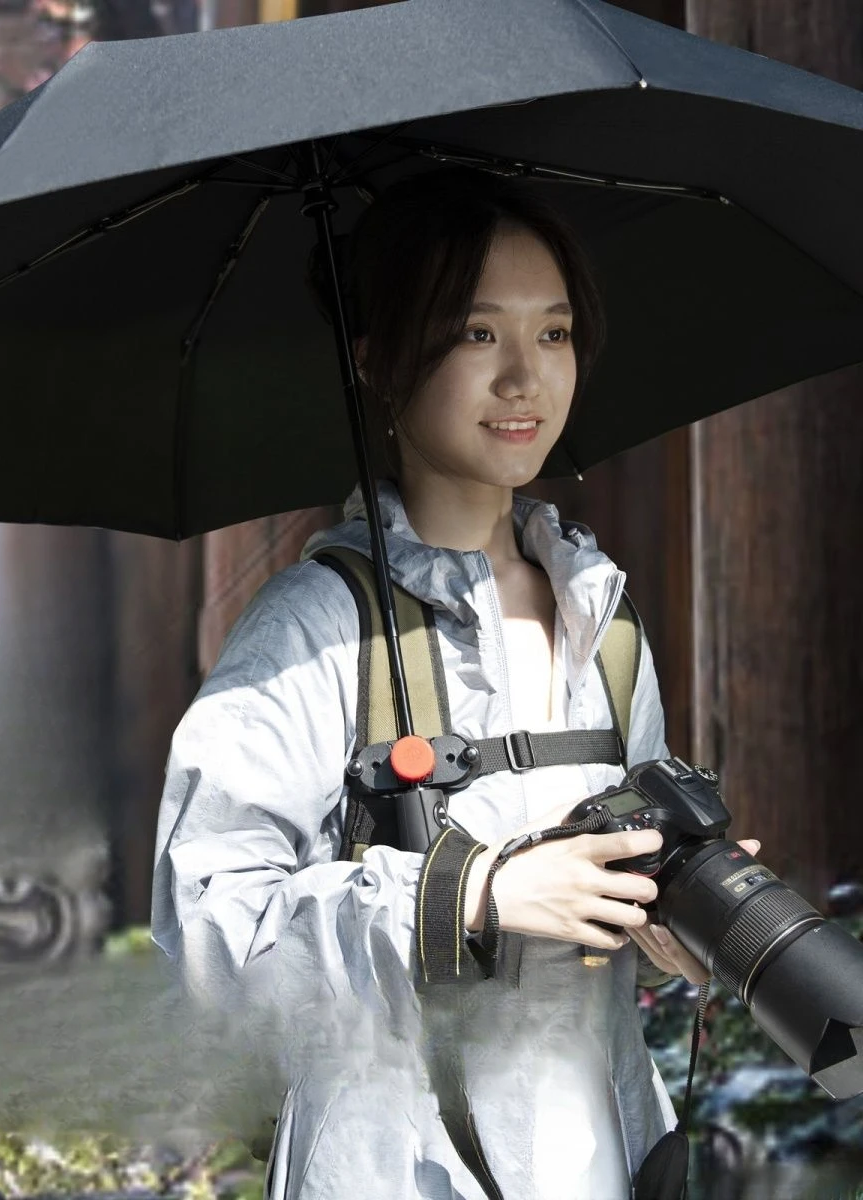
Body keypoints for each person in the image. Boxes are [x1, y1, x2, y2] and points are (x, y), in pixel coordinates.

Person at [150, 167, 761, 1200]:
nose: (525, 377)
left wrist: (674, 918)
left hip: (601, 1158)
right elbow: (206, 932)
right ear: (379, 359)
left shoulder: (602, 621)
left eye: (555, 332)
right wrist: (469, 894)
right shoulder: (314, 628)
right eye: (478, 334)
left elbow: (620, 918)